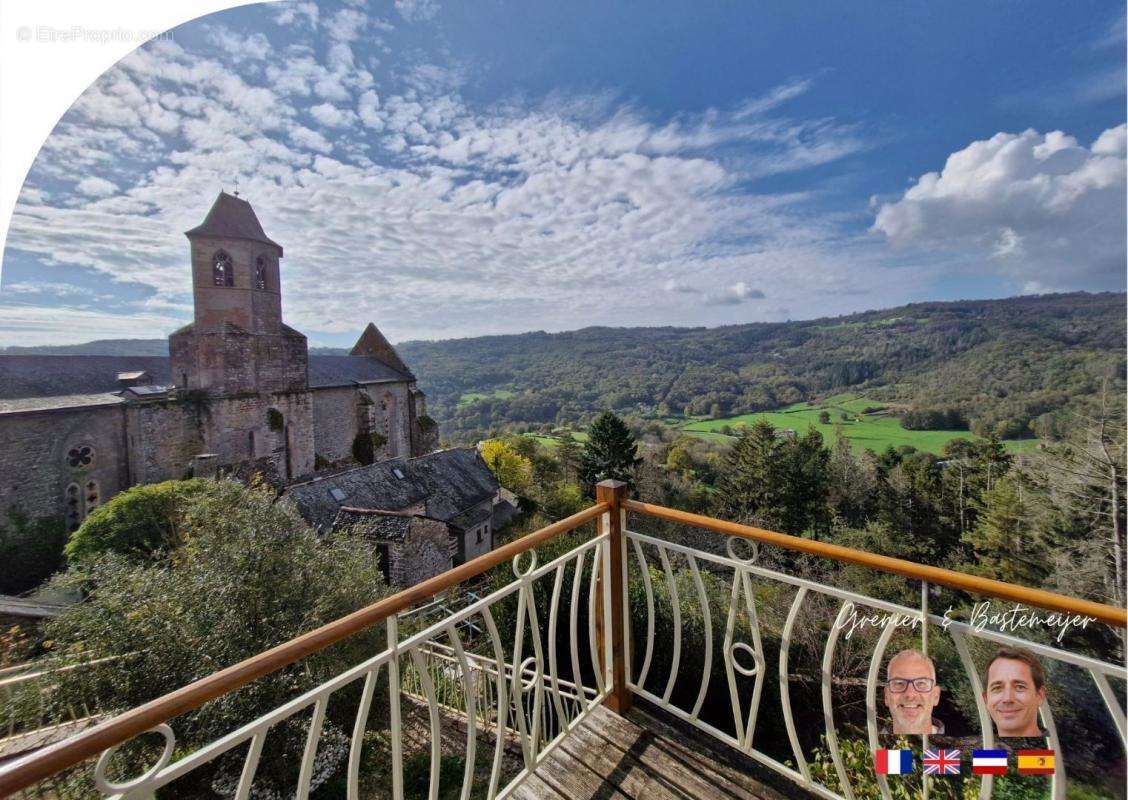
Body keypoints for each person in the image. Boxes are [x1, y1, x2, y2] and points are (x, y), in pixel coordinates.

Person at [983, 647, 1047, 738]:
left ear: (1039, 696)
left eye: (1020, 687)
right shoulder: (984, 750)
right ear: (986, 699)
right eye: (997, 688)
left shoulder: (1058, 750)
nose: (1007, 698)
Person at [884, 649, 944, 735]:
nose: (910, 695)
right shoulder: (870, 745)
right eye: (899, 683)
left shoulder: (961, 746)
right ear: (886, 695)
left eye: (921, 683)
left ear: (936, 696)